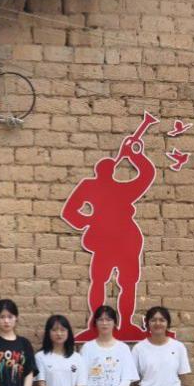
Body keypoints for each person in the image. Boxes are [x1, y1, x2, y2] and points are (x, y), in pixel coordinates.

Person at [61, 128, 156, 341]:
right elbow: (69, 212)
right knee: (99, 281)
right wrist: (87, 221)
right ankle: (94, 325)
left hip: (127, 240)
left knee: (128, 283)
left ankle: (126, 324)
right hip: (103, 242)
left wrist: (135, 155)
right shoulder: (90, 186)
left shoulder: (122, 190)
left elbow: (147, 176)